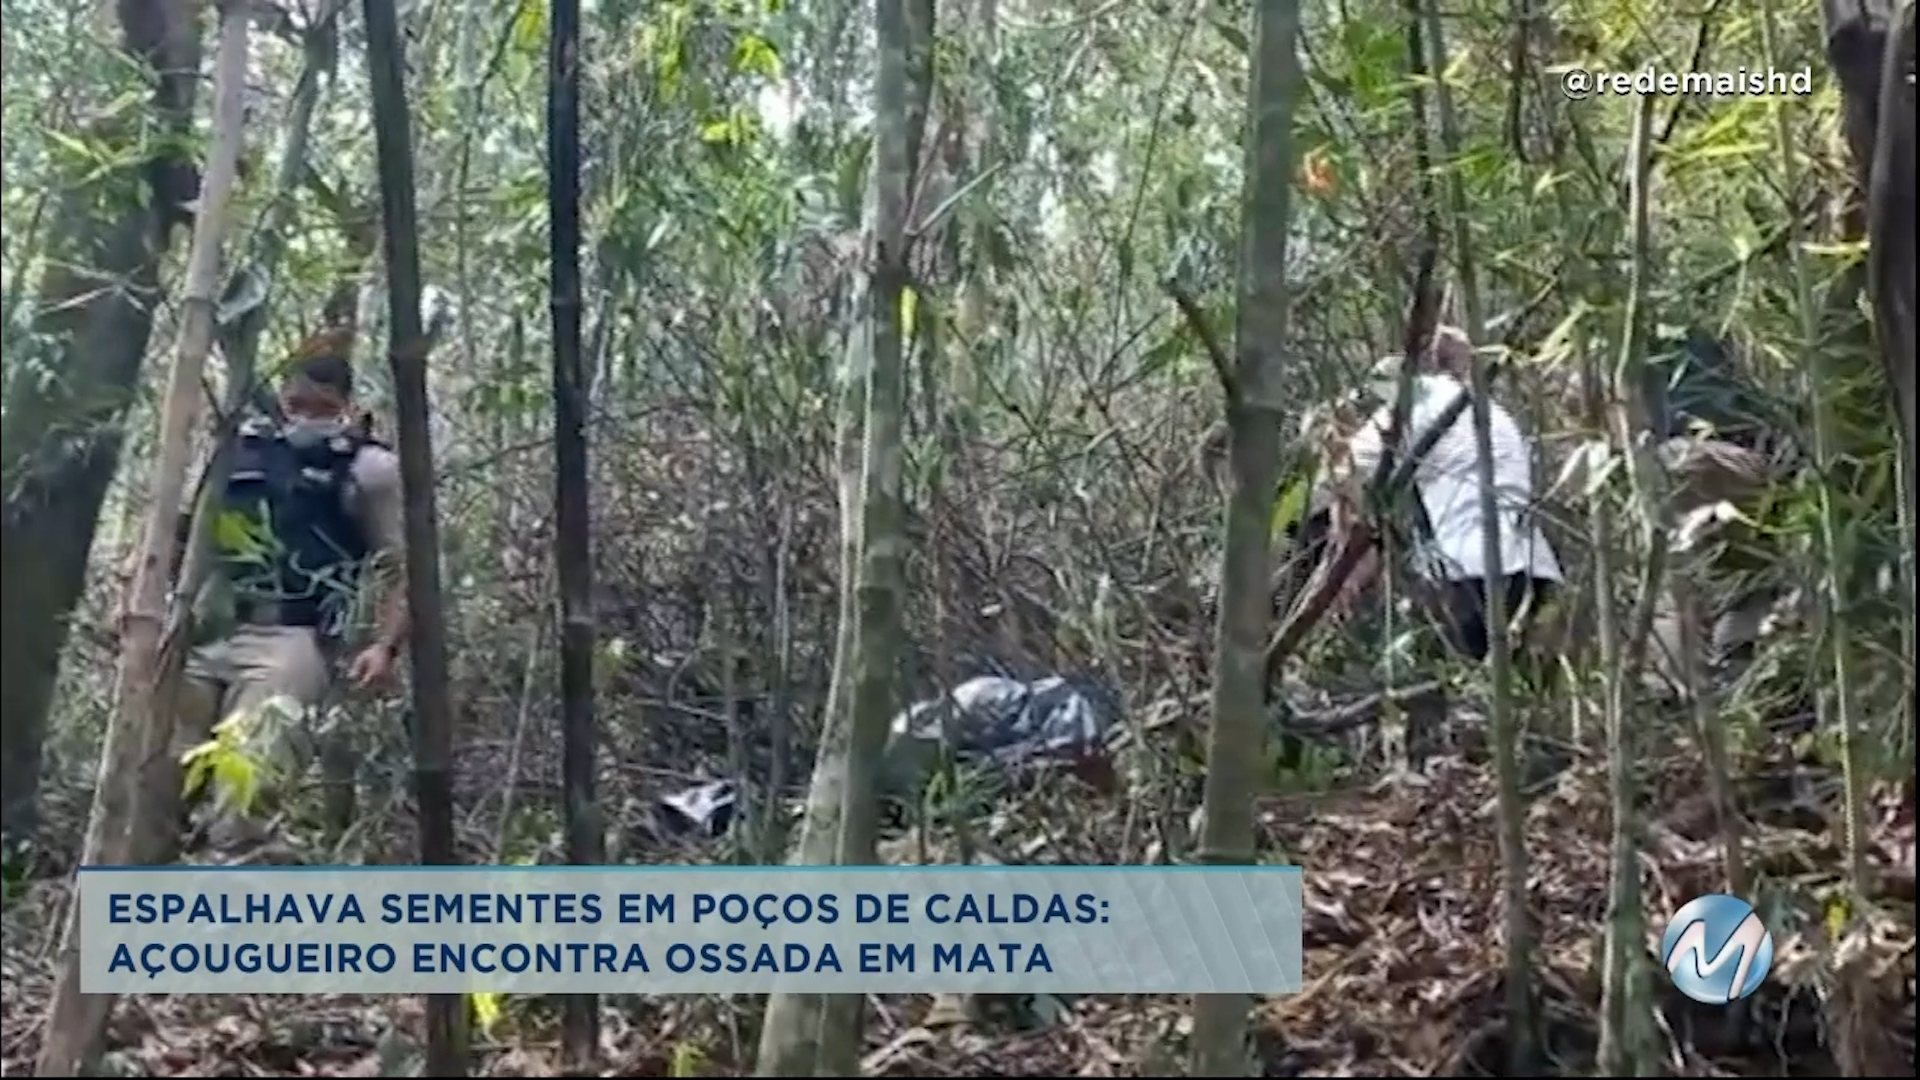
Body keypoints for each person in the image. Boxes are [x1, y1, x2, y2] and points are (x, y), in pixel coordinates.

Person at [166, 332, 409, 857]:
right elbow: (179, 534)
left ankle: (232, 888)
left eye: (321, 409)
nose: (304, 419)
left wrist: (383, 646)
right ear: (280, 399)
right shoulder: (236, 452)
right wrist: (143, 604)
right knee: (159, 783)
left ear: (346, 407)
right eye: (295, 405)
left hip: (290, 637)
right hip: (205, 629)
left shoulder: (368, 468)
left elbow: (399, 567)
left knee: (250, 786)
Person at [1323, 326, 1564, 662]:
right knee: (1513, 681)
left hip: (1471, 567)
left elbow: (1341, 473)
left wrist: (1337, 563)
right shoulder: (1490, 410)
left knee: (1445, 673)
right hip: (1533, 568)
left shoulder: (1420, 403)